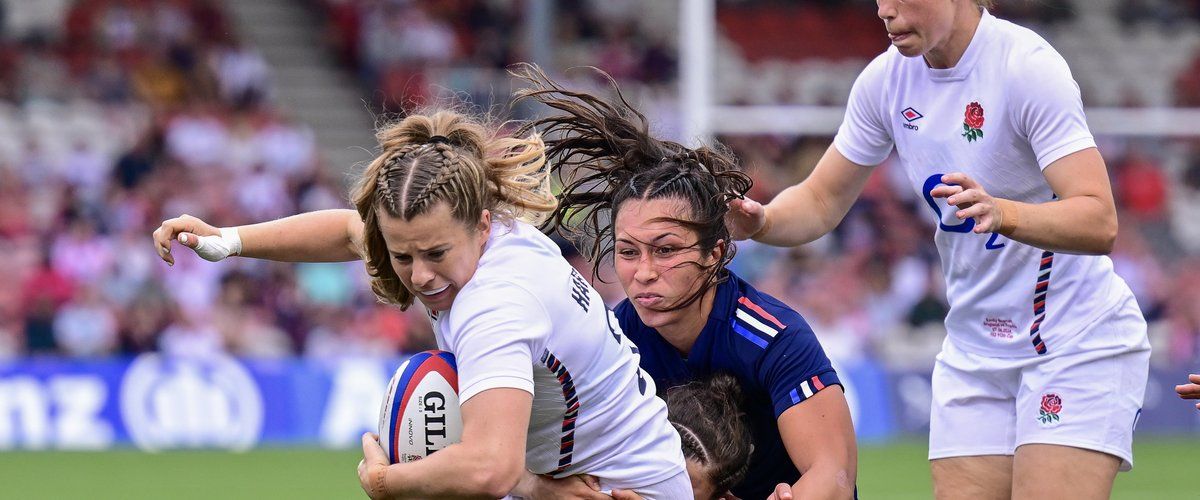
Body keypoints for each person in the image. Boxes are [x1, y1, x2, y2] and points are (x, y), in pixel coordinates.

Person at [724, 1, 1150, 499]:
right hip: (974, 351)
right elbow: (820, 200)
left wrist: (1004, 212)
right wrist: (764, 220)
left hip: (1075, 340)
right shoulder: (885, 81)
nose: (885, 10)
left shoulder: (1027, 66)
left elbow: (1099, 218)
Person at [153, 110, 691, 499]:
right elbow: (347, 232)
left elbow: (488, 470)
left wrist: (386, 482)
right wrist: (227, 240)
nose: (421, 275)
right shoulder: (478, 233)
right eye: (402, 256)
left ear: (481, 225)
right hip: (583, 475)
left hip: (621, 488)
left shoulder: (495, 305)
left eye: (435, 254)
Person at [514, 64, 857, 500]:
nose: (644, 272)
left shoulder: (776, 339)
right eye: (628, 251)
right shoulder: (611, 337)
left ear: (714, 254)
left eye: (666, 250)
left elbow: (834, 479)